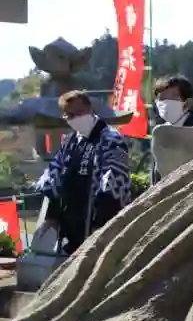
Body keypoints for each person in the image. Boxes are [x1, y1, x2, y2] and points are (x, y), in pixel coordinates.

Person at [35, 90, 134, 255]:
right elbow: (55, 175)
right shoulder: (70, 141)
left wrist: (101, 223)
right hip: (71, 227)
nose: (75, 118)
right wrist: (52, 216)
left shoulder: (111, 138)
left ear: (90, 108)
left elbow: (115, 180)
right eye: (70, 115)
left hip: (99, 224)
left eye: (79, 112)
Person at [150, 75, 193, 184]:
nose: (165, 103)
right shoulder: (160, 132)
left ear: (187, 103)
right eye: (162, 99)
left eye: (172, 99)